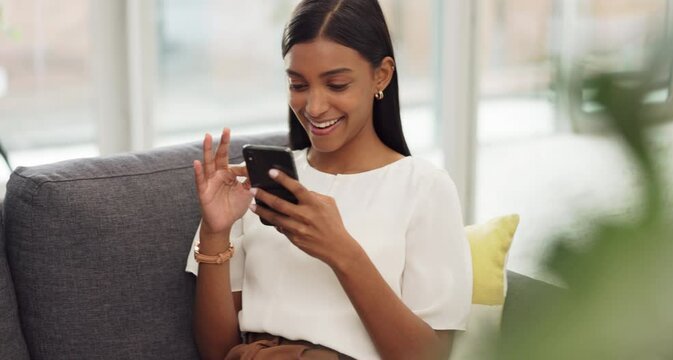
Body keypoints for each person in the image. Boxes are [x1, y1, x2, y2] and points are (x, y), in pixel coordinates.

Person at [186, 0, 472, 359]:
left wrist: (341, 251)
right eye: (298, 84)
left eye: (336, 85)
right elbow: (215, 351)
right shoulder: (260, 184)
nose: (315, 107)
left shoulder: (424, 188)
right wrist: (215, 232)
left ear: (381, 76)